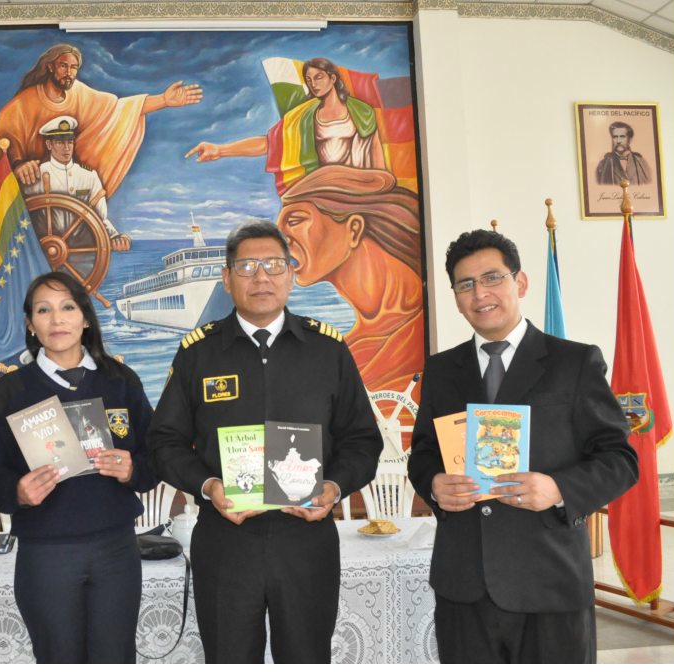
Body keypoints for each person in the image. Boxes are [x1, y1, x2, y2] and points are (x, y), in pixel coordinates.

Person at [148, 221, 383, 663]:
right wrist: (208, 487)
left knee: (308, 657)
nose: (261, 277)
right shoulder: (199, 353)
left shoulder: (327, 350)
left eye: (274, 265)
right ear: (226, 278)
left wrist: (333, 487)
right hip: (226, 541)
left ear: (292, 274)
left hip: (306, 540)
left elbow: (362, 441)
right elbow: (164, 443)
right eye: (247, 266)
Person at [406, 229, 639, 663]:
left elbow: (620, 459)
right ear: (456, 297)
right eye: (466, 284)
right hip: (464, 585)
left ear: (521, 283)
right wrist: (435, 484)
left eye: (493, 278)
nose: (480, 294)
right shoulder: (441, 370)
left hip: (549, 582)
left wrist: (559, 489)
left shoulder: (574, 361)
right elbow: (422, 454)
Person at [0, 271, 158, 663]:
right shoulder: (9, 392)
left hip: (116, 550)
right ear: (30, 324)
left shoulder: (120, 381)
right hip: (46, 553)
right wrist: (17, 492)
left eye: (67, 307)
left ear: (86, 318)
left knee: (115, 659)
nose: (57, 320)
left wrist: (132, 470)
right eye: (44, 310)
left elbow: (155, 458)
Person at [276, 165, 424, 394]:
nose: (281, 240)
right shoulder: (342, 347)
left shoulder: (413, 327)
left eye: (294, 221)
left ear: (354, 229)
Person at [0, 43, 202, 197]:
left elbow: (119, 109)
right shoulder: (24, 104)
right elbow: (5, 142)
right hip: (32, 188)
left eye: (74, 68)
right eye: (64, 66)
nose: (69, 73)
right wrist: (19, 165)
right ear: (50, 67)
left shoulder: (79, 93)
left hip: (66, 187)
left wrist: (164, 100)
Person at [186, 57, 384, 174]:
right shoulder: (304, 116)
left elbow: (376, 155)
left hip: (360, 187)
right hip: (319, 189)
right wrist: (220, 150)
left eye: (319, 77)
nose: (314, 84)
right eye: (309, 79)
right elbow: (270, 144)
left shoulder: (361, 112)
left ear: (333, 78)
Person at [23, 115, 132, 252]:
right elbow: (23, 216)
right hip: (43, 253)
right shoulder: (35, 175)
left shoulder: (89, 177)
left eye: (70, 142)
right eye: (60, 143)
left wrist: (115, 236)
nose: (67, 148)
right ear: (49, 144)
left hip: (83, 253)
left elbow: (100, 218)